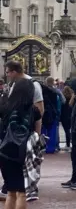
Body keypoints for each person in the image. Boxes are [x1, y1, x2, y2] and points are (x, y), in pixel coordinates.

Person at [4, 61, 44, 202]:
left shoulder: (5, 105)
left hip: (7, 147)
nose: (7, 75)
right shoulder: (32, 109)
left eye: (8, 72)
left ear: (14, 71)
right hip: (24, 147)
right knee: (21, 193)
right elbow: (38, 117)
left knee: (11, 192)